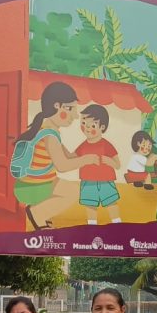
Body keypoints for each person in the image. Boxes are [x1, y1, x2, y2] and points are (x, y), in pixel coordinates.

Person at [15, 82, 96, 230]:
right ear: (56, 106)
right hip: (35, 185)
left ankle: (39, 211)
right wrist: (85, 160)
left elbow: (69, 156)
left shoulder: (47, 129)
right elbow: (62, 165)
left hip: (39, 181)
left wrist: (87, 153)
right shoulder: (50, 134)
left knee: (70, 190)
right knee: (72, 193)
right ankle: (37, 213)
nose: (75, 115)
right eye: (70, 109)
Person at [75, 104, 122, 224]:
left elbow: (118, 164)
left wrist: (110, 161)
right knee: (90, 205)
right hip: (87, 181)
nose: (87, 128)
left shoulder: (106, 145)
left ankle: (117, 223)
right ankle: (92, 225)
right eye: (84, 123)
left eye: (92, 125)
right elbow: (72, 158)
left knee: (111, 203)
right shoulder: (82, 146)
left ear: (102, 127)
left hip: (106, 181)